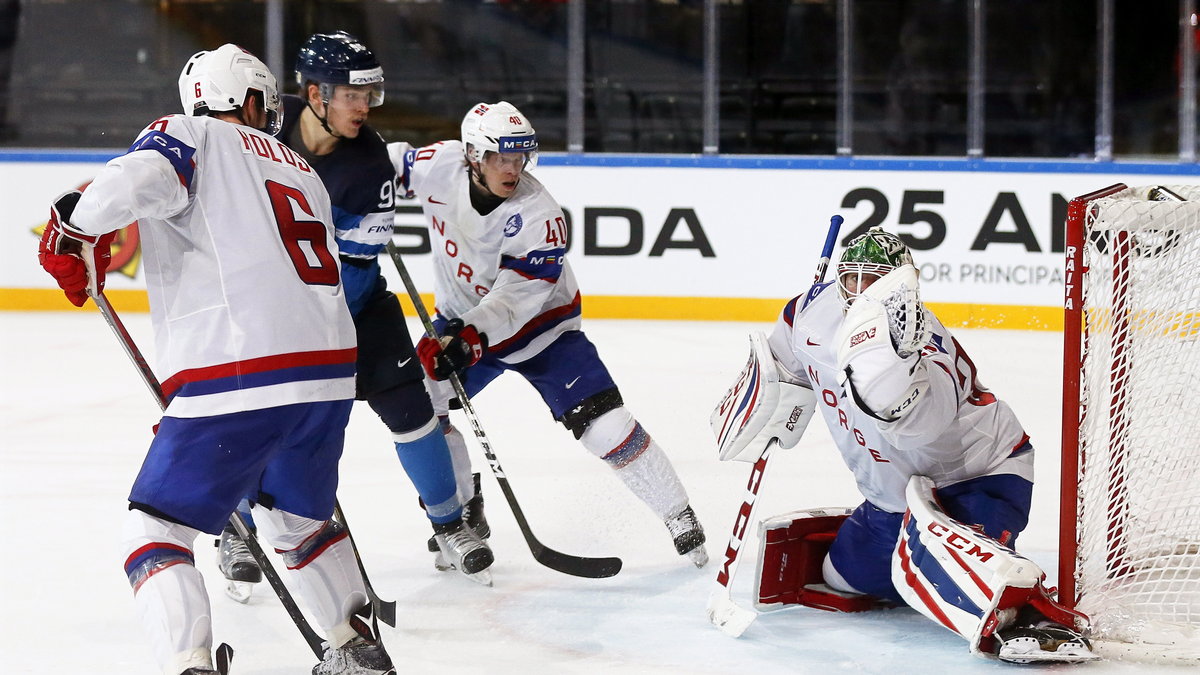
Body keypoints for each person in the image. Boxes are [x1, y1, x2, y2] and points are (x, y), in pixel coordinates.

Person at [36, 44, 393, 675]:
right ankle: (356, 648)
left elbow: (130, 181)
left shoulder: (188, 134)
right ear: (250, 99)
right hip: (328, 375)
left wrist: (74, 230)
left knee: (155, 532)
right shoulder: (301, 169)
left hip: (239, 373)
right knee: (298, 519)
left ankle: (189, 666)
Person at [713, 227, 1096, 663]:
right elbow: (786, 364)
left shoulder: (926, 343)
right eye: (853, 277)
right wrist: (778, 398)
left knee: (971, 580)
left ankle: (1032, 614)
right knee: (843, 578)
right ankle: (905, 557)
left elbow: (920, 429)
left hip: (975, 475)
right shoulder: (807, 311)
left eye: (875, 279)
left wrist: (887, 374)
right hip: (892, 496)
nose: (861, 290)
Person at [213, 30, 491, 589]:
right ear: (315, 93)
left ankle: (449, 522)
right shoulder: (266, 118)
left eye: (369, 95)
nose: (364, 107)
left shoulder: (367, 169)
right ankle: (237, 526)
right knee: (257, 418)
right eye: (351, 95)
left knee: (412, 412)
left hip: (352, 307)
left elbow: (347, 275)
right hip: (271, 312)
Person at [387, 101, 707, 567]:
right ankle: (459, 516)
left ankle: (678, 513)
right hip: (462, 325)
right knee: (420, 408)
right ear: (473, 155)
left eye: (520, 157)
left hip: (543, 333)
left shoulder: (539, 215)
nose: (513, 168)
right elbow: (385, 164)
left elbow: (518, 297)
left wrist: (472, 336)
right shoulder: (440, 166)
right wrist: (351, 183)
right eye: (502, 157)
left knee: (605, 425)